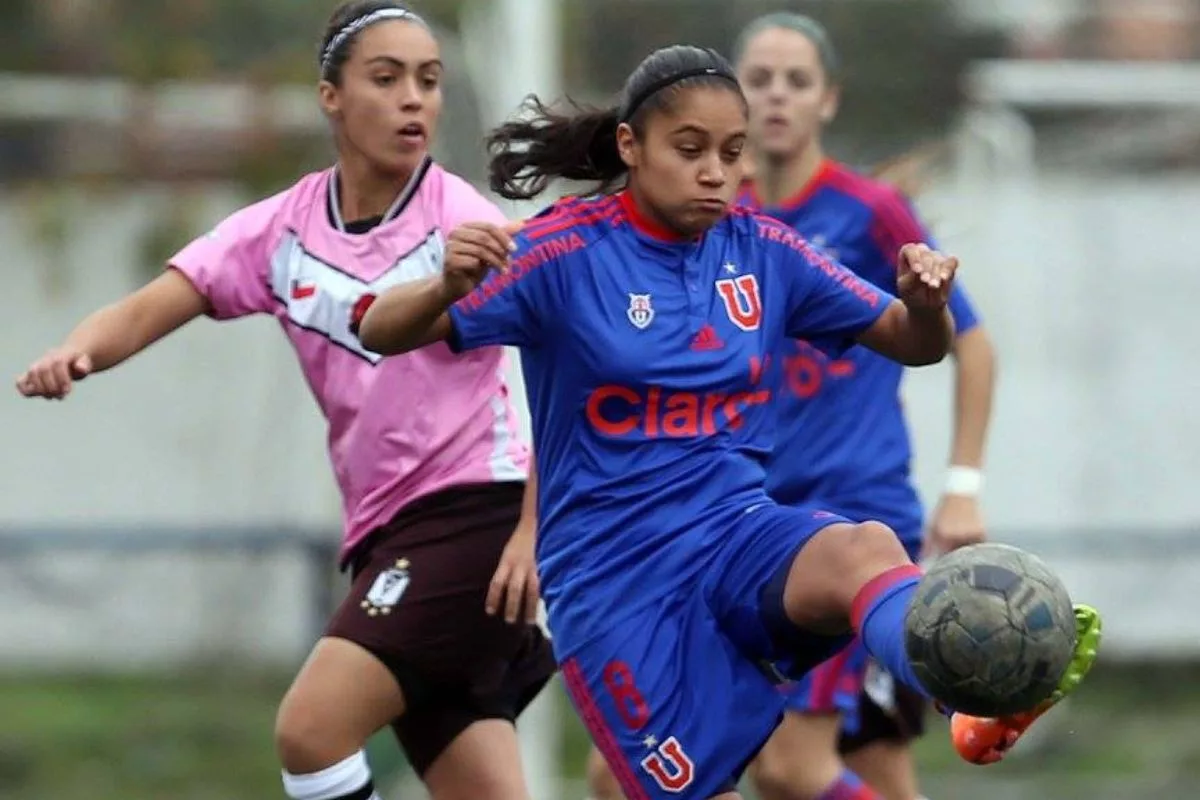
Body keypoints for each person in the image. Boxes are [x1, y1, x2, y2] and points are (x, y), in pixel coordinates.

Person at [355, 44, 1102, 800]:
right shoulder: (561, 252)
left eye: (731, 152)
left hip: (736, 535)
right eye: (691, 150)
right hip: (619, 588)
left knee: (862, 548)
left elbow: (915, 345)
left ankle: (981, 679)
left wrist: (927, 305)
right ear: (630, 146)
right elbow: (379, 329)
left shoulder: (764, 249)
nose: (716, 171)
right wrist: (444, 284)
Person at [14, 3, 556, 800]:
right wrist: (79, 351)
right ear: (330, 97)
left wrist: (532, 529)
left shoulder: (463, 223)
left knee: (310, 729)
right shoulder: (281, 232)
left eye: (429, 80)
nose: (415, 98)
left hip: (473, 518)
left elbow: (567, 365)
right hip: (385, 534)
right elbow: (158, 301)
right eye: (387, 77)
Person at [746, 14, 996, 800]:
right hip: (752, 525)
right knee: (874, 772)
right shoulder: (720, 217)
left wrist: (964, 485)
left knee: (788, 768)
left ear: (828, 100)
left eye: (796, 80)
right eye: (758, 79)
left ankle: (990, 672)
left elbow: (973, 343)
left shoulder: (868, 212)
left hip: (852, 522)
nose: (776, 96)